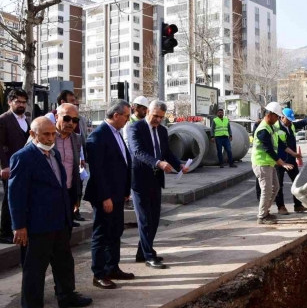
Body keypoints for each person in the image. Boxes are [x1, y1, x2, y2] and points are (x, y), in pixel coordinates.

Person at [9, 117, 92, 308]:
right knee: (35, 270)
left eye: (53, 133)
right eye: (45, 134)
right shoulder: (23, 157)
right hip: (37, 225)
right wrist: (19, 226)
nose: (50, 138)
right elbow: (16, 195)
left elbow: (60, 185)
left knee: (64, 263)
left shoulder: (54, 154)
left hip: (60, 221)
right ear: (33, 134)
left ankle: (67, 296)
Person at [128, 100, 187, 269]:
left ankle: (142, 252)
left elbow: (166, 151)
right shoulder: (135, 128)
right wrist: (158, 163)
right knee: (145, 219)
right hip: (140, 179)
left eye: (161, 117)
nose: (157, 120)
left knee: (154, 218)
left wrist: (179, 165)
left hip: (156, 179)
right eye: (155, 116)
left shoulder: (162, 130)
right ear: (147, 112)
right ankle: (148, 255)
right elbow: (137, 152)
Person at [84, 100, 133, 289]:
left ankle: (112, 267)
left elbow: (123, 163)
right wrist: (105, 197)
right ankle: (99, 273)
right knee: (102, 234)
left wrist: (126, 190)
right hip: (105, 196)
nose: (128, 120)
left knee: (116, 231)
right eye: (126, 116)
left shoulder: (117, 134)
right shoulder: (97, 137)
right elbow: (98, 172)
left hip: (119, 194)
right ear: (116, 115)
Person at [27, 104, 83, 229]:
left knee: (64, 237)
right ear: (57, 117)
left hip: (67, 193)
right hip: (44, 196)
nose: (70, 123)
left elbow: (75, 168)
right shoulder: (42, 135)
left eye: (75, 120)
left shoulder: (77, 139)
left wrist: (76, 195)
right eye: (67, 118)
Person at [274, 107, 307, 214]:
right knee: (279, 185)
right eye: (288, 120)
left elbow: (302, 123)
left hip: (291, 160)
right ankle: (281, 207)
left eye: (291, 120)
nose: (290, 122)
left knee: (297, 182)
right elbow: (280, 146)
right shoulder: (275, 128)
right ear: (282, 117)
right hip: (279, 161)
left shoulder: (290, 125)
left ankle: (298, 205)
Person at [252, 102, 294, 225]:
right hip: (261, 164)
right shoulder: (263, 130)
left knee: (275, 188)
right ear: (269, 114)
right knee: (266, 190)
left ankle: (265, 212)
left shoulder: (271, 127)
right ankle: (262, 216)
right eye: (276, 116)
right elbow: (268, 149)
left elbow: (279, 144)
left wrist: (292, 154)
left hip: (269, 164)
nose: (278, 119)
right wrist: (282, 163)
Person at [0, 89, 31, 244]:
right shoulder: (4, 119)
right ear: (10, 102)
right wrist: (3, 166)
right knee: (8, 198)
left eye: (24, 102)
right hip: (10, 167)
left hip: (25, 166)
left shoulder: (26, 119)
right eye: (18, 101)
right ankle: (4, 231)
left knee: (21, 197)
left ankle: (16, 226)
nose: (21, 104)